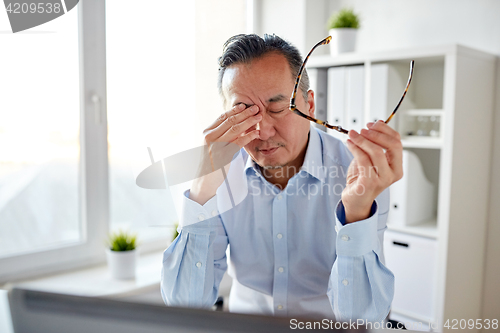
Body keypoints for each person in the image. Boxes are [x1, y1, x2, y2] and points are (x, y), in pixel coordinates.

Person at [161, 34, 402, 322]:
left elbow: (362, 320)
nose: (262, 131)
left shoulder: (360, 175)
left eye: (277, 108)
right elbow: (185, 304)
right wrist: (201, 191)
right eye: (243, 113)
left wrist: (356, 212)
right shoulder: (217, 174)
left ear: (310, 105)